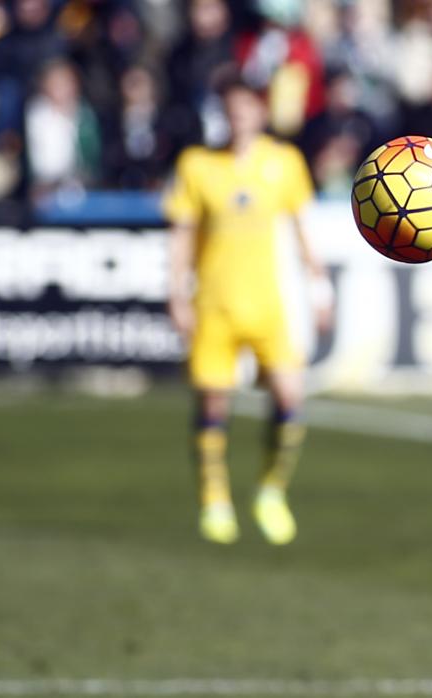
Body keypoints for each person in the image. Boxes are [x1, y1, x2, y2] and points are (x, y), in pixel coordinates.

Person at [164, 73, 332, 545]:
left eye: (246, 108)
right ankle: (214, 499)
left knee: (290, 397)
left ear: (260, 112)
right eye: (231, 109)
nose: (238, 117)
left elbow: (303, 230)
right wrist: (176, 294)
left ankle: (271, 491)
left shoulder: (284, 161)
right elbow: (181, 234)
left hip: (268, 305)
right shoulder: (198, 164)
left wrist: (321, 290)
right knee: (213, 403)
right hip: (214, 304)